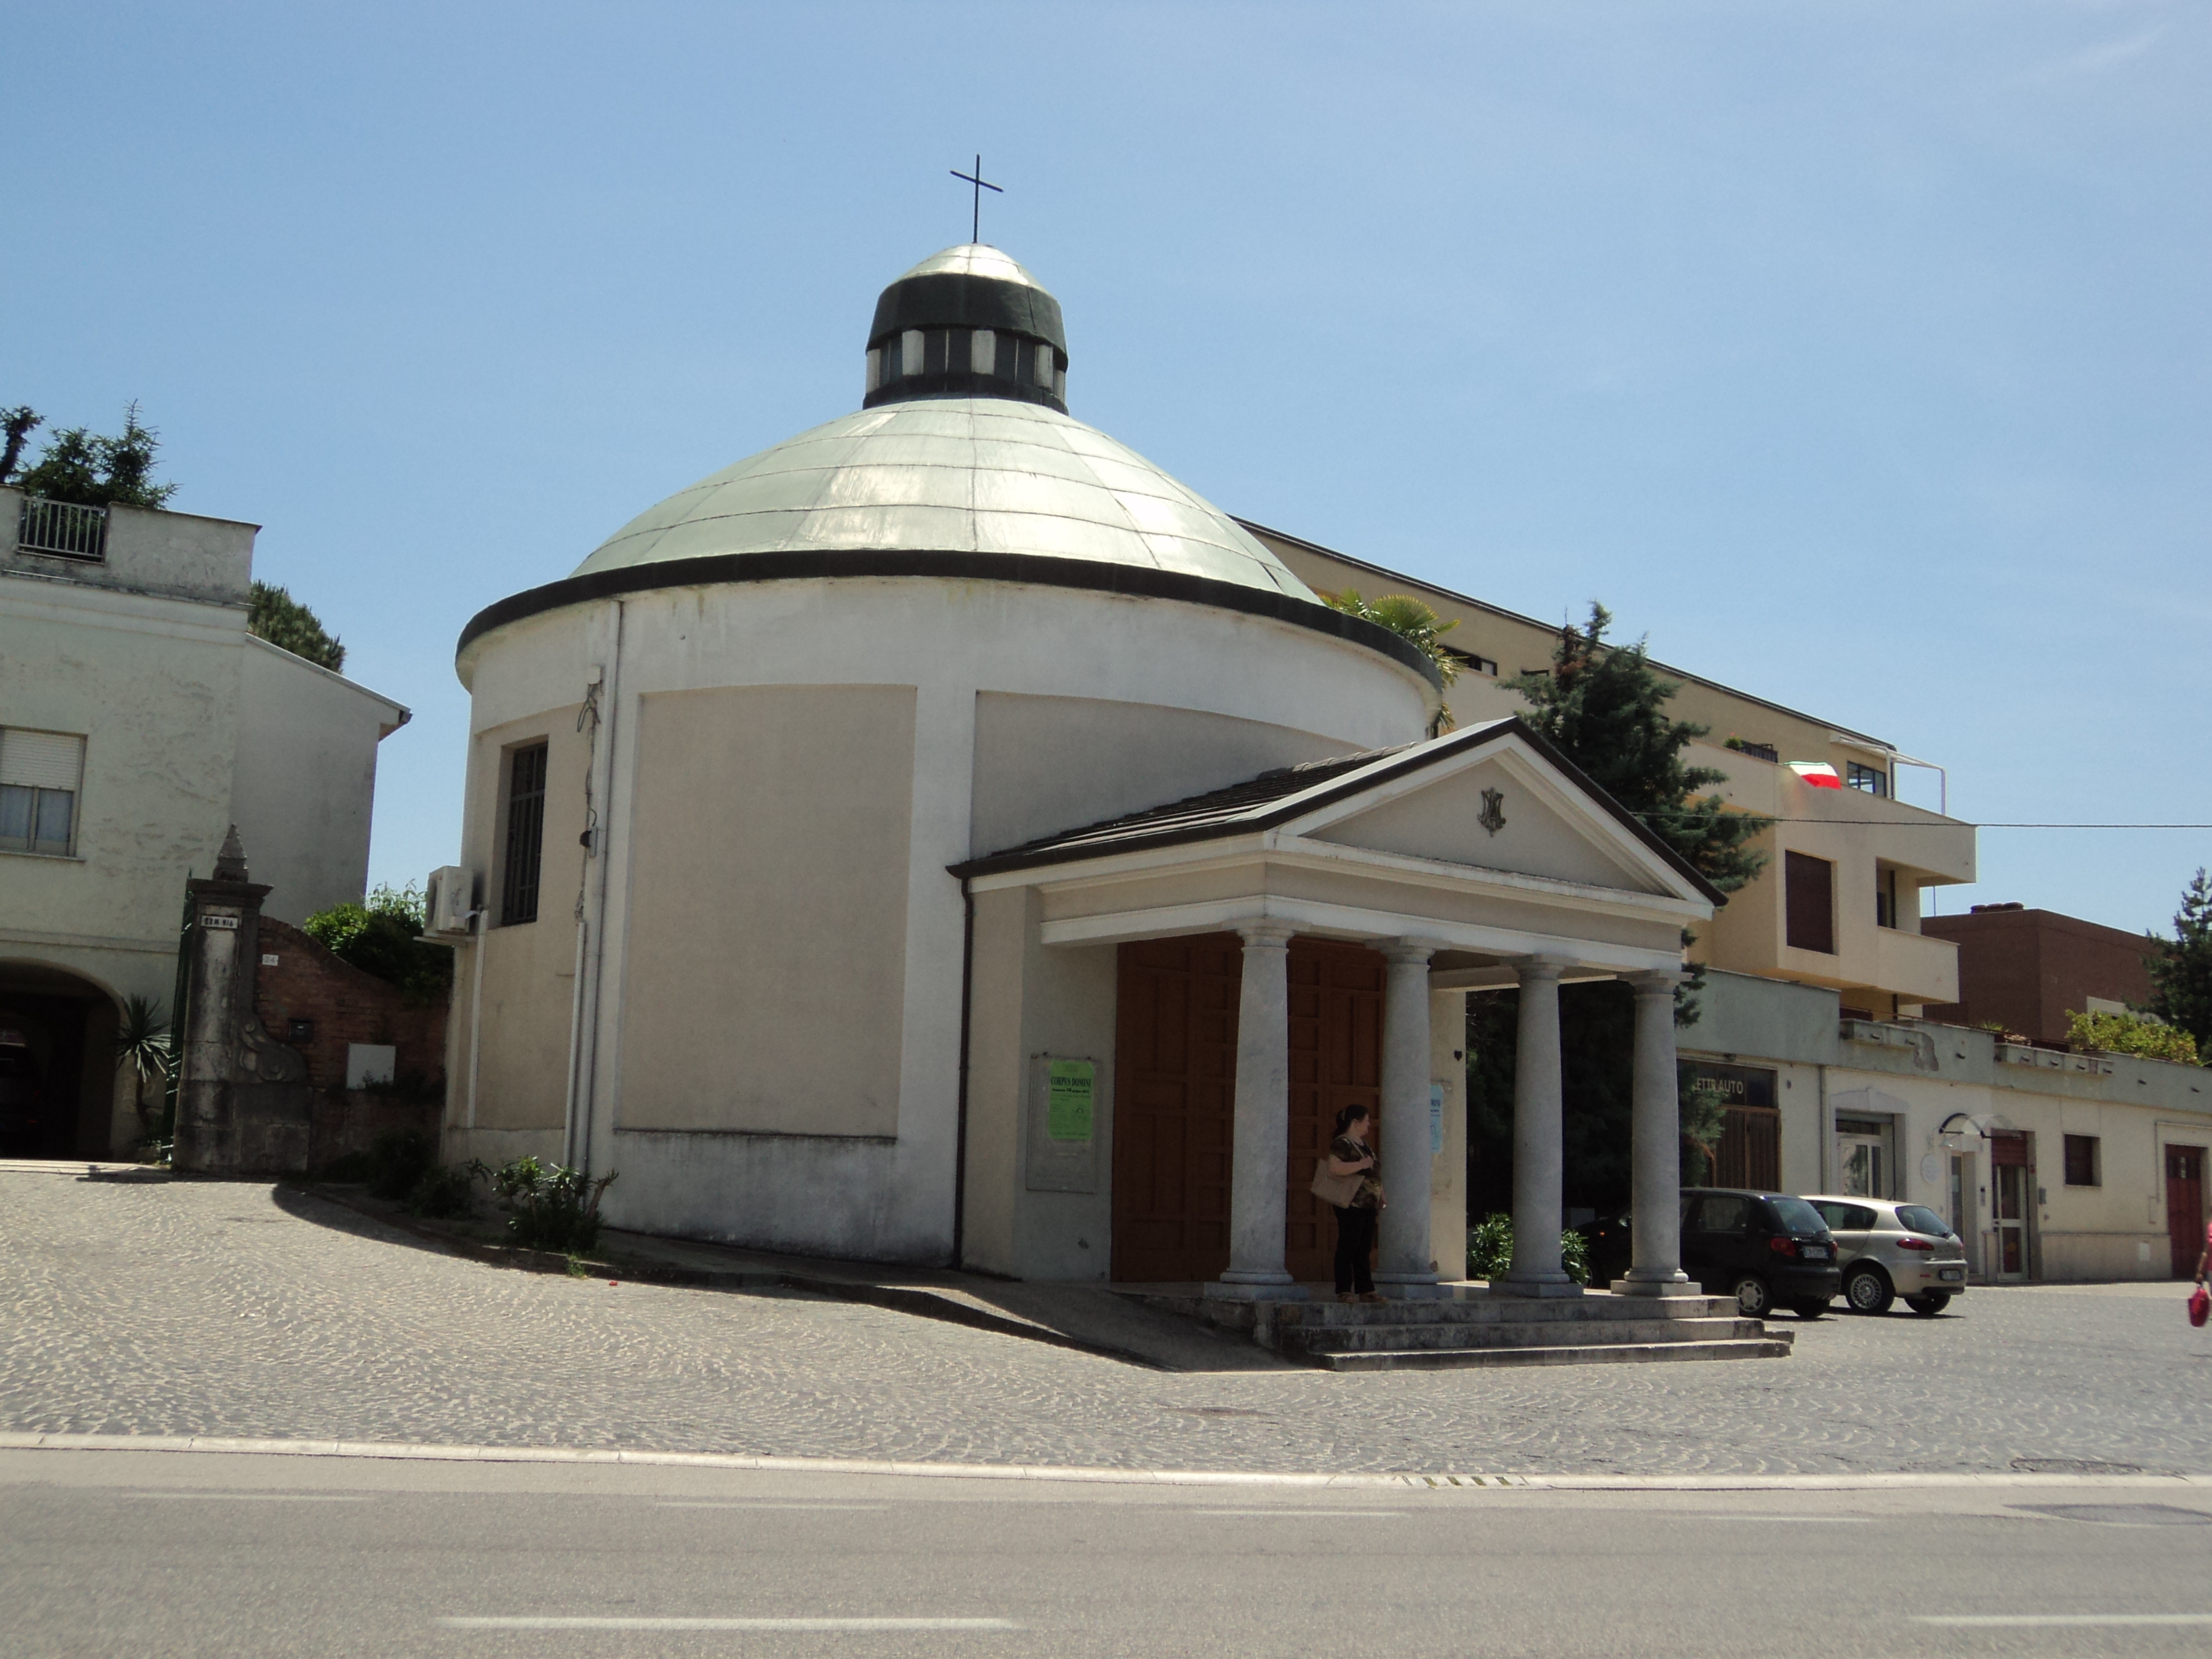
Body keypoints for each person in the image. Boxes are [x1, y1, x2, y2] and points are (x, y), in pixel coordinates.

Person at [1326, 1104, 1386, 1305]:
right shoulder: (1342, 1143)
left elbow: (1373, 1173)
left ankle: (1366, 1289)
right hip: (1351, 1203)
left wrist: (1381, 1194)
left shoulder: (1364, 1145)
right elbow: (1335, 1168)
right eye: (1367, 1120)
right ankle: (1343, 1289)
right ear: (1355, 1122)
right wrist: (1361, 1165)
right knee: (1348, 1244)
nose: (1369, 1124)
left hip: (1368, 1204)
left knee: (1364, 1247)